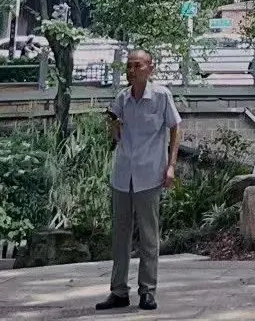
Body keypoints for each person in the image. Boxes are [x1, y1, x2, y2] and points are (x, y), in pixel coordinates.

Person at [96, 49, 181, 312]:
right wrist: (113, 126)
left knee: (148, 235)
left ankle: (148, 290)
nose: (131, 70)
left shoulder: (161, 96)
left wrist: (171, 166)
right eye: (129, 66)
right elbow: (117, 135)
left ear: (149, 68)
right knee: (120, 236)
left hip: (149, 174)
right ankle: (119, 290)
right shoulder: (122, 98)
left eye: (137, 65)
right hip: (123, 174)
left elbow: (176, 128)